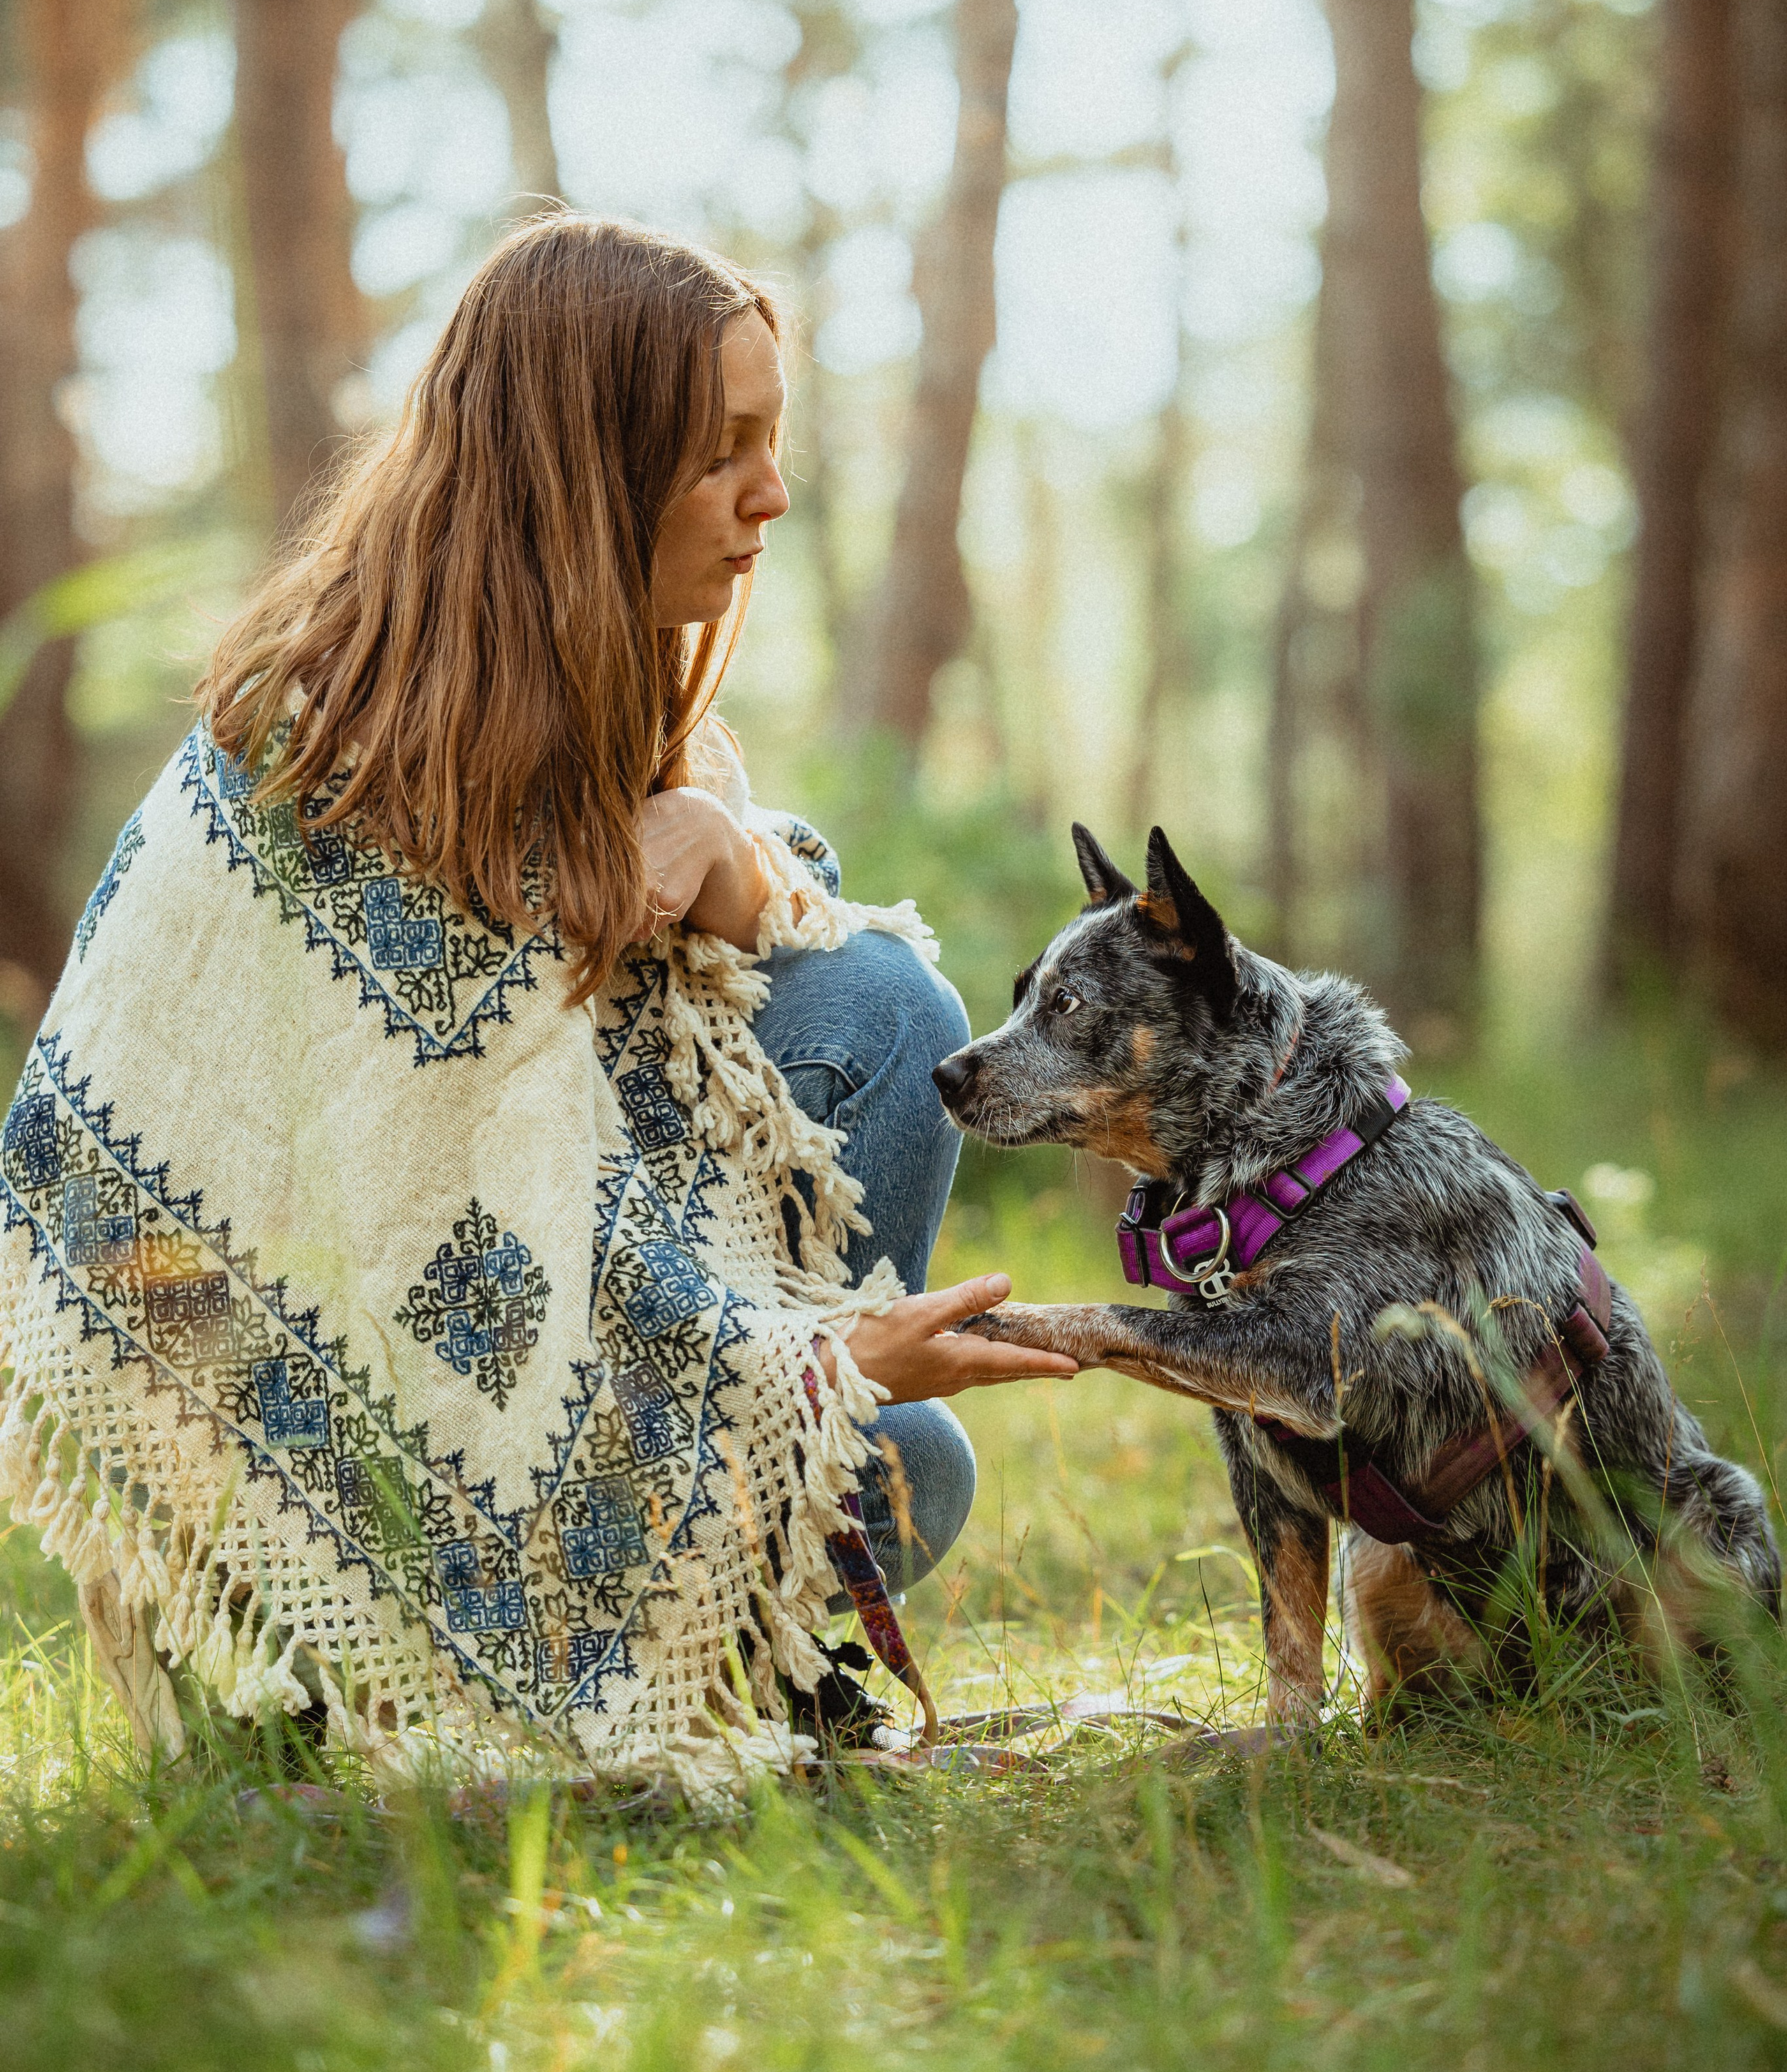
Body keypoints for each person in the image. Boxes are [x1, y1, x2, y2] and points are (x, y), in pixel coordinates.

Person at [0, 215, 1074, 1795]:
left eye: (771, 447)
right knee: (904, 1463)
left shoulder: (603, 690)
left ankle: (726, 1652)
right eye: (724, 454)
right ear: (586, 470)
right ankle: (405, 1683)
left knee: (885, 1007)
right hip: (316, 1465)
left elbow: (688, 1053)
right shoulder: (318, 760)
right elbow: (390, 1216)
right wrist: (807, 1374)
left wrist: (722, 844)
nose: (769, 497)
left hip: (558, 1390)